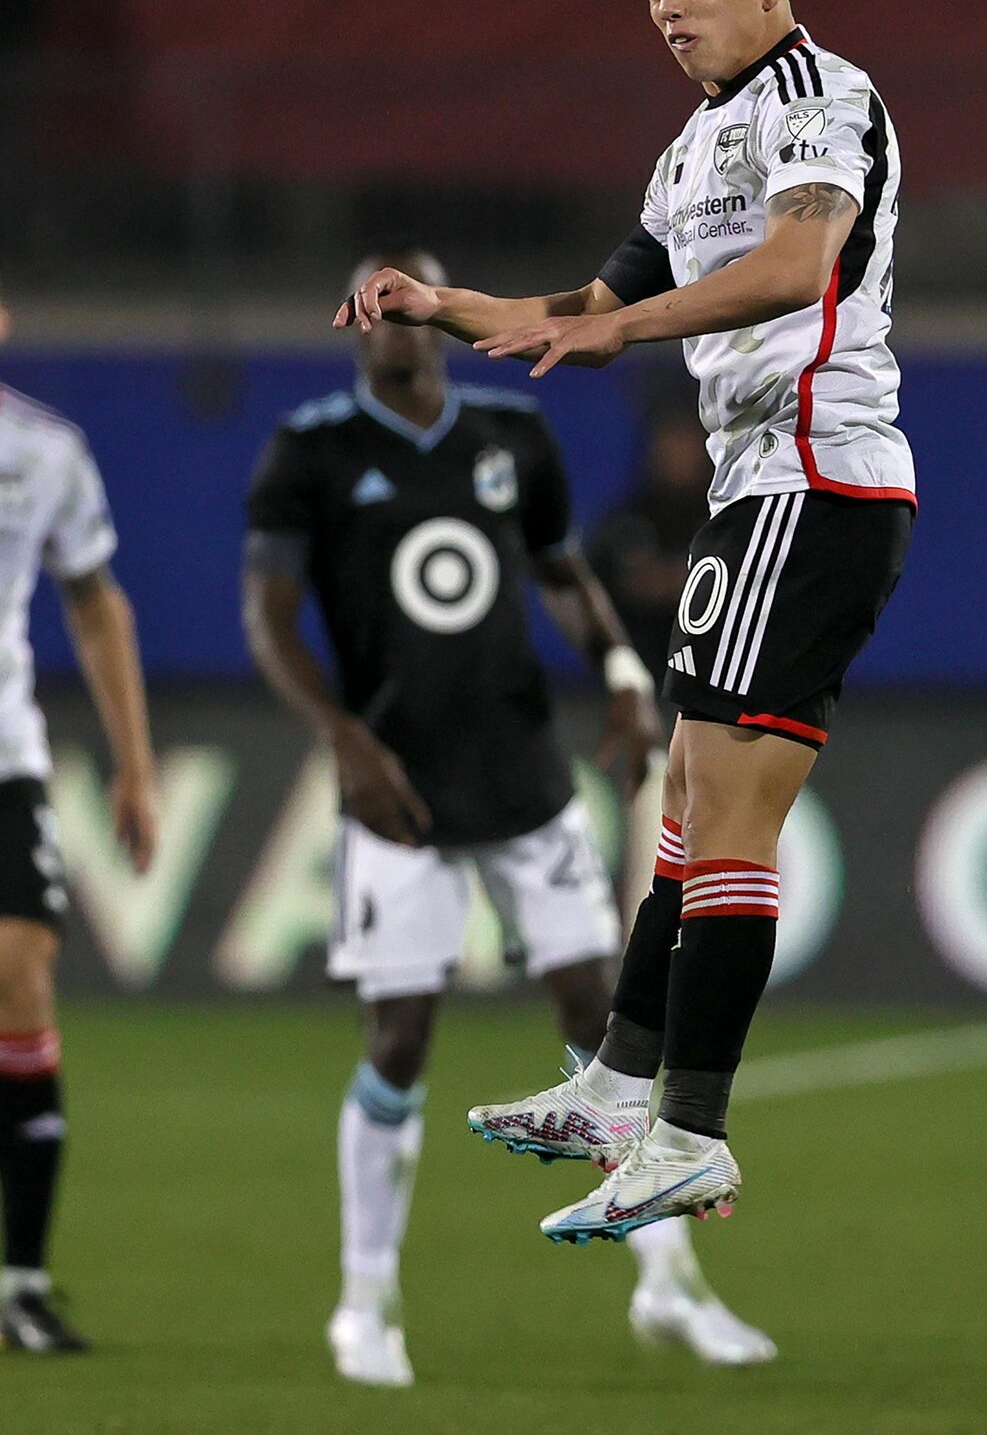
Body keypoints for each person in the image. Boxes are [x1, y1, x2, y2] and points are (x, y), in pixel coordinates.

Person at [336, 0, 915, 1248]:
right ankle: (614, 1086)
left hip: (818, 476)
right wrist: (442, 301)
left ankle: (692, 1133)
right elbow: (582, 306)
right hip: (751, 489)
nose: (665, 3)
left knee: (723, 804)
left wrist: (629, 329)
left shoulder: (821, 97)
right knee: (683, 790)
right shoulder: (685, 149)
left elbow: (797, 264)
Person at [245, 247, 776, 1386]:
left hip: (526, 778)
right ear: (351, 324)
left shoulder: (509, 439)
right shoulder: (312, 451)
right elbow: (270, 617)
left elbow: (564, 576)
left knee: (609, 1035)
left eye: (411, 297)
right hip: (400, 792)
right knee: (399, 1039)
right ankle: (366, 1302)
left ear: (436, 312)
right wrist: (343, 737)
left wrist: (629, 681)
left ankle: (671, 1283)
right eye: (374, 303)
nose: (394, 321)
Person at [0, 296, 158, 1351]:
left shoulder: (43, 451)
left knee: (21, 965)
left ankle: (20, 1281)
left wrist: (134, 768)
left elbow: (96, 601)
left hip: (4, 757)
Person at [588, 407, 711, 687]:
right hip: (636, 677)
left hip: (711, 685)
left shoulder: (724, 517)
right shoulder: (628, 516)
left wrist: (677, 581)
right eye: (668, 440)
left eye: (685, 441)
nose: (676, 452)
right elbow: (598, 587)